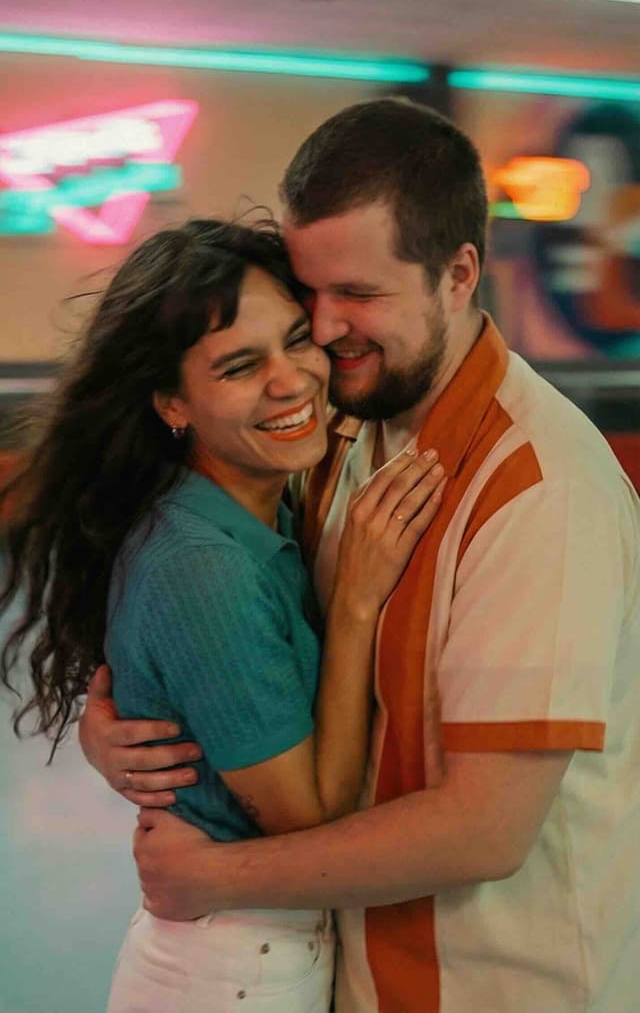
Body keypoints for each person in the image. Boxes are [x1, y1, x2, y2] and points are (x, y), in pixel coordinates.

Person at [80, 100, 640, 1013]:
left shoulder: (542, 488)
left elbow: (486, 829)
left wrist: (221, 876)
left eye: (362, 294)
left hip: (501, 988)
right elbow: (245, 647)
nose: (327, 331)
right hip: (348, 970)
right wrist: (138, 734)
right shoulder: (344, 425)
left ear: (459, 274)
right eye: (312, 293)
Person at [0, 216, 445, 1013]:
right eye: (240, 366)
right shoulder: (202, 562)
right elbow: (308, 816)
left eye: (297, 341)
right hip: (238, 971)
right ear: (172, 402)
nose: (290, 381)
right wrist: (352, 605)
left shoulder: (255, 505)